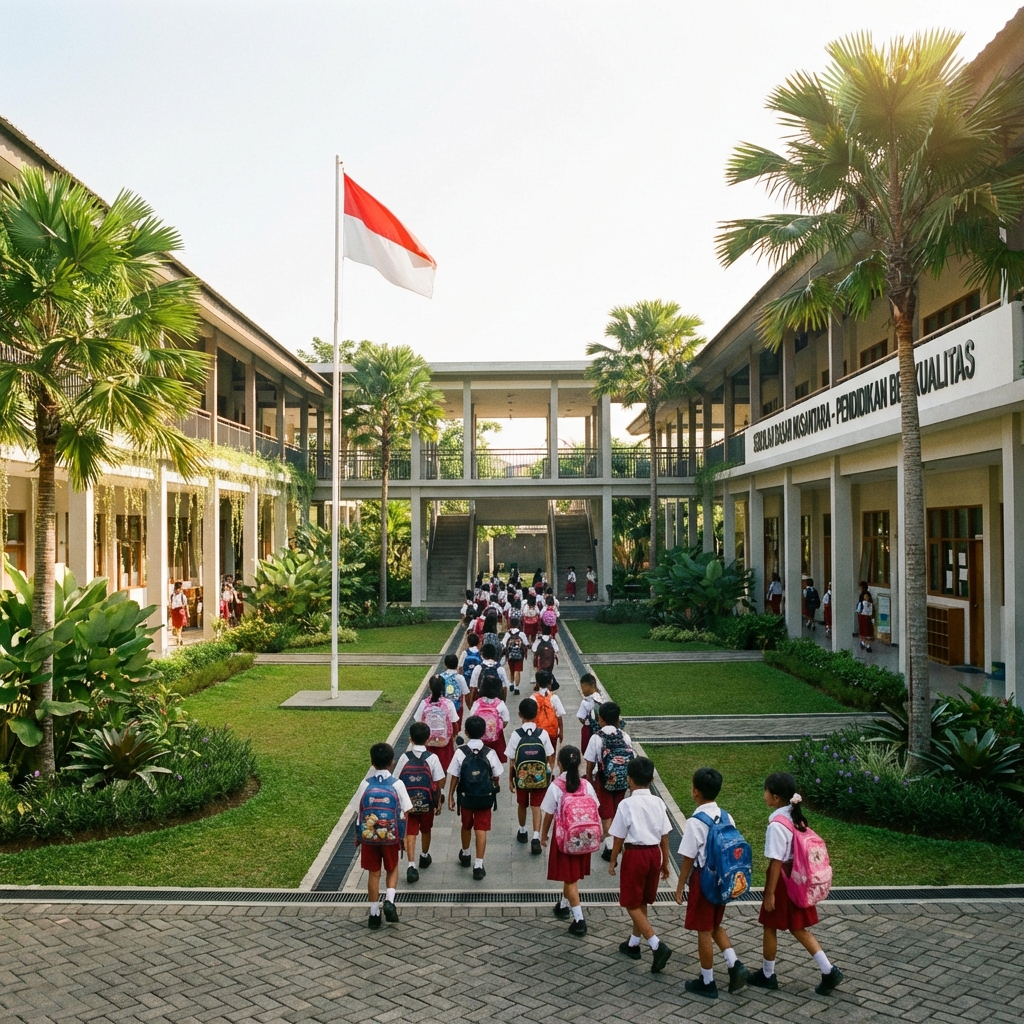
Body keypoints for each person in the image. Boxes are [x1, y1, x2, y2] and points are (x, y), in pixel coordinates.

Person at [748, 772, 843, 994]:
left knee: (769, 925)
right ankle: (828, 970)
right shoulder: (795, 817)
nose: (764, 795)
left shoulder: (776, 825)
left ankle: (768, 975)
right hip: (799, 879)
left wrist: (769, 894)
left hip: (782, 883)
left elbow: (775, 863)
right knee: (798, 928)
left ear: (776, 797)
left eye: (766, 791)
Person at [673, 767, 749, 998]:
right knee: (715, 925)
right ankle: (734, 964)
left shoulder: (695, 822)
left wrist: (680, 886)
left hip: (703, 881)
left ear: (695, 792)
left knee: (704, 931)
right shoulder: (727, 816)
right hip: (723, 880)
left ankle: (707, 981)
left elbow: (687, 858)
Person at [607, 756, 672, 972]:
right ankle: (634, 943)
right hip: (654, 853)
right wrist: (665, 861)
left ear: (629, 780)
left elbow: (618, 836)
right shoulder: (658, 802)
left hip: (635, 855)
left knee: (630, 902)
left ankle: (656, 944)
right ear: (652, 779)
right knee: (641, 898)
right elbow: (665, 834)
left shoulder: (627, 804)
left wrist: (614, 859)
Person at [540, 745, 599, 936]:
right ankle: (563, 905)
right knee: (571, 877)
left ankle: (579, 920)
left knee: (570, 879)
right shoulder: (586, 785)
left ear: (559, 763)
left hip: (565, 840)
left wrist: (543, 835)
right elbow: (595, 808)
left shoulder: (556, 786)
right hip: (584, 839)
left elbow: (548, 814)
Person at [355, 742, 412, 928]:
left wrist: (359, 835)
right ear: (392, 762)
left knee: (374, 873)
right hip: (390, 836)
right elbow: (406, 811)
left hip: (369, 837)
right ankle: (389, 900)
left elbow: (359, 812)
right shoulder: (397, 784)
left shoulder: (365, 784)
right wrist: (401, 835)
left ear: (372, 762)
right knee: (392, 867)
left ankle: (373, 913)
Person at [447, 714, 503, 880]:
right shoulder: (490, 752)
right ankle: (478, 864)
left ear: (466, 732)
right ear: (484, 732)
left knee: (466, 825)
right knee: (481, 828)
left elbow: (455, 776)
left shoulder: (460, 752)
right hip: (485, 797)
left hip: (466, 796)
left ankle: (465, 853)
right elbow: (497, 773)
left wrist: (450, 796)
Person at [395, 722, 445, 884]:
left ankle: (411, 865)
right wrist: (438, 802)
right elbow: (439, 782)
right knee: (426, 829)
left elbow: (396, 780)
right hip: (427, 803)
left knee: (410, 833)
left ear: (410, 739)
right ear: (428, 739)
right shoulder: (432, 758)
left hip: (408, 804)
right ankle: (424, 856)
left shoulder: (404, 757)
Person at [583, 701, 634, 862]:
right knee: (618, 810)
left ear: (600, 719)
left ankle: (611, 848)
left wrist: (590, 780)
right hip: (622, 780)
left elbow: (590, 763)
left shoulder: (596, 738)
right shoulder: (624, 736)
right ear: (618, 719)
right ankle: (615, 842)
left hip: (603, 779)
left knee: (606, 814)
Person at [506, 697, 555, 854]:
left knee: (522, 804)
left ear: (519, 714)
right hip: (540, 778)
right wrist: (549, 773)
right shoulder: (543, 734)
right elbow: (549, 756)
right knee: (536, 806)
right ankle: (536, 836)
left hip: (521, 777)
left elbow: (512, 761)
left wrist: (510, 780)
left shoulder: (516, 735)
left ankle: (522, 830)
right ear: (536, 714)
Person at [413, 675, 460, 773]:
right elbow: (455, 724)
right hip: (445, 744)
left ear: (429, 686)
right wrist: (453, 737)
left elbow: (418, 724)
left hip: (427, 743)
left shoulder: (424, 704)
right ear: (444, 687)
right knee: (443, 770)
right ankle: (441, 788)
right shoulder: (448, 703)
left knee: (429, 770)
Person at [467, 672, 510, 763]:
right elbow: (506, 720)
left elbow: (472, 717)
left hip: (479, 738)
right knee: (495, 762)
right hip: (496, 739)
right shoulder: (500, 704)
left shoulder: (477, 703)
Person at [532, 670, 565, 754]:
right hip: (552, 731)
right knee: (551, 754)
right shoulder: (554, 697)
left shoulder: (533, 698)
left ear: (537, 683)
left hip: (537, 732)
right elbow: (559, 716)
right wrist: (561, 731)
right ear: (551, 681)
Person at [441, 653, 469, 730]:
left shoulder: (440, 677)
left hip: (444, 708)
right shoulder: (460, 678)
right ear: (457, 665)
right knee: (456, 728)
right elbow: (465, 692)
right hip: (457, 707)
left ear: (445, 665)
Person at [502, 616, 528, 695]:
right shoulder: (521, 634)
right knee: (517, 670)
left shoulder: (507, 634)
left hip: (510, 655)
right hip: (519, 655)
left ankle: (511, 683)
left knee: (511, 670)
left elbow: (503, 643)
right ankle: (516, 687)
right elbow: (526, 643)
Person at [577, 673, 600, 752]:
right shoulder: (601, 698)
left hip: (590, 731)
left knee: (589, 752)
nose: (582, 690)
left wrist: (586, 720)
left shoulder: (585, 702)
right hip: (601, 731)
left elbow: (581, 717)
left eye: (583, 687)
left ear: (590, 686)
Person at [168, 581, 189, 646]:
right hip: (174, 612)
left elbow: (186, 605)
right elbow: (170, 605)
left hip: (180, 612)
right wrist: (170, 613)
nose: (179, 590)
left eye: (180, 588)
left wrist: (188, 613)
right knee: (176, 627)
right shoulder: (172, 596)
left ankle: (178, 640)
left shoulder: (183, 596)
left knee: (179, 627)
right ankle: (179, 638)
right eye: (178, 588)